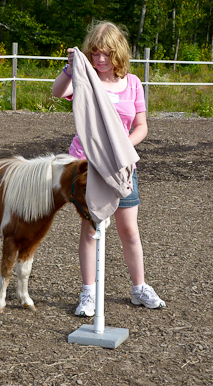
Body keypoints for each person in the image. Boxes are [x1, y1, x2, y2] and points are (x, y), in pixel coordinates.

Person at [52, 21, 165, 316]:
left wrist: (122, 148)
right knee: (91, 230)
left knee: (129, 229)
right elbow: (56, 92)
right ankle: (88, 294)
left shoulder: (134, 84)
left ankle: (139, 287)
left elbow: (141, 126)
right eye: (95, 54)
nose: (100, 60)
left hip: (122, 164)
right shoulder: (86, 80)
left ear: (118, 54)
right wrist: (69, 67)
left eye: (106, 54)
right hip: (87, 165)